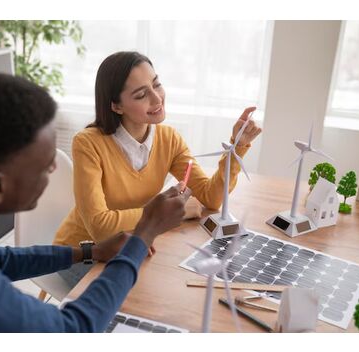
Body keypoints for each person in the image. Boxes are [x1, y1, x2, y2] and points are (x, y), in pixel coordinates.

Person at [0, 73, 191, 332]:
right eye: (45, 164)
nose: (53, 169)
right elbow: (73, 330)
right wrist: (144, 232)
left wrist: (91, 251)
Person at [54, 51, 262, 287]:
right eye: (142, 94)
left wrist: (238, 145)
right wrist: (162, 214)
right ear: (117, 106)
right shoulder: (88, 143)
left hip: (131, 245)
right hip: (83, 254)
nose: (157, 98)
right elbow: (100, 227)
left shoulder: (169, 139)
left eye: (157, 84)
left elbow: (211, 197)